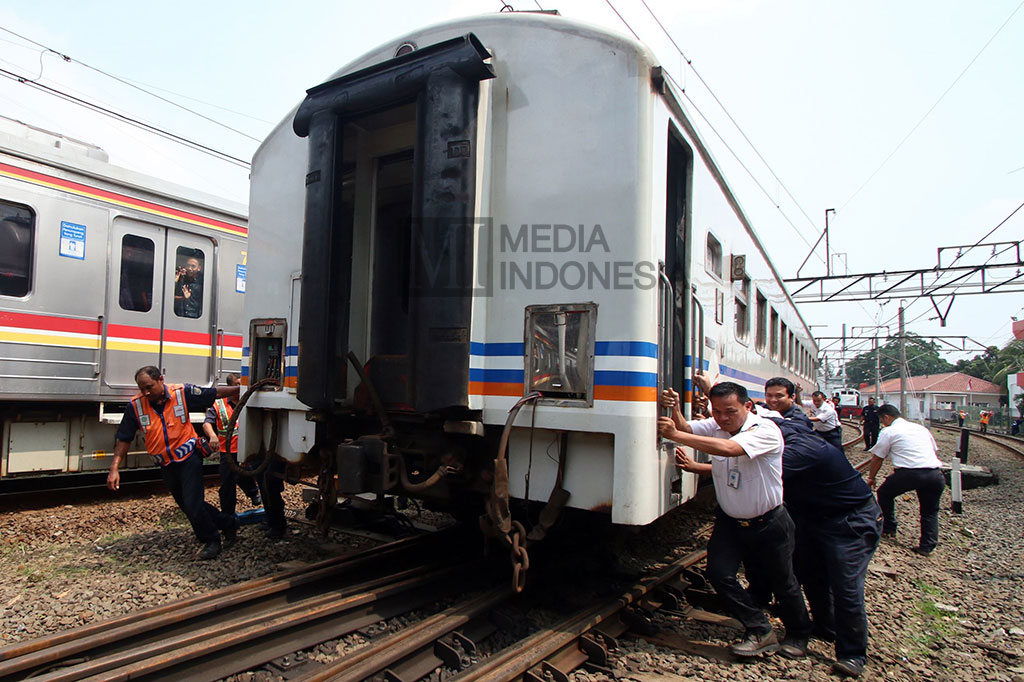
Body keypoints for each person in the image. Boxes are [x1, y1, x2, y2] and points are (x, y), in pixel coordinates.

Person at [658, 380, 811, 658]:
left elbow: (728, 450)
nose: (722, 418)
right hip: (730, 522)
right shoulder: (718, 426)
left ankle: (799, 633)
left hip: (769, 522)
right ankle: (759, 628)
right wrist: (678, 409)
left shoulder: (765, 430)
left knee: (783, 582)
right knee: (719, 574)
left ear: (748, 406)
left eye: (730, 411)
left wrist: (676, 436)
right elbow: (686, 427)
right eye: (716, 412)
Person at [107, 366, 240, 560]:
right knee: (187, 505)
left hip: (189, 458)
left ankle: (212, 540)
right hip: (167, 464)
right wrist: (114, 467)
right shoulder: (136, 406)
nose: (145, 392)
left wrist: (241, 389)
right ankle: (228, 523)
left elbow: (215, 393)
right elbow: (124, 438)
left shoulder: (182, 393)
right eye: (141, 388)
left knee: (193, 504)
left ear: (161, 379)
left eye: (149, 387)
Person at [865, 404, 945, 556]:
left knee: (884, 493)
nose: (882, 423)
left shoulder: (889, 431)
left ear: (887, 417)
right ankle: (927, 546)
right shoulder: (921, 428)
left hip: (910, 473)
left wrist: (871, 477)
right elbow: (933, 450)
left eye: (882, 420)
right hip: (935, 474)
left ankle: (888, 529)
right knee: (930, 511)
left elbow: (878, 457)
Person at [203, 373, 261, 517]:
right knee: (228, 485)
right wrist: (212, 436)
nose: (240, 388)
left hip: (248, 450)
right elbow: (207, 423)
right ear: (230, 387)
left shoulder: (249, 401)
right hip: (227, 453)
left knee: (244, 476)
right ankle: (228, 518)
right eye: (237, 385)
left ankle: (253, 493)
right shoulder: (218, 404)